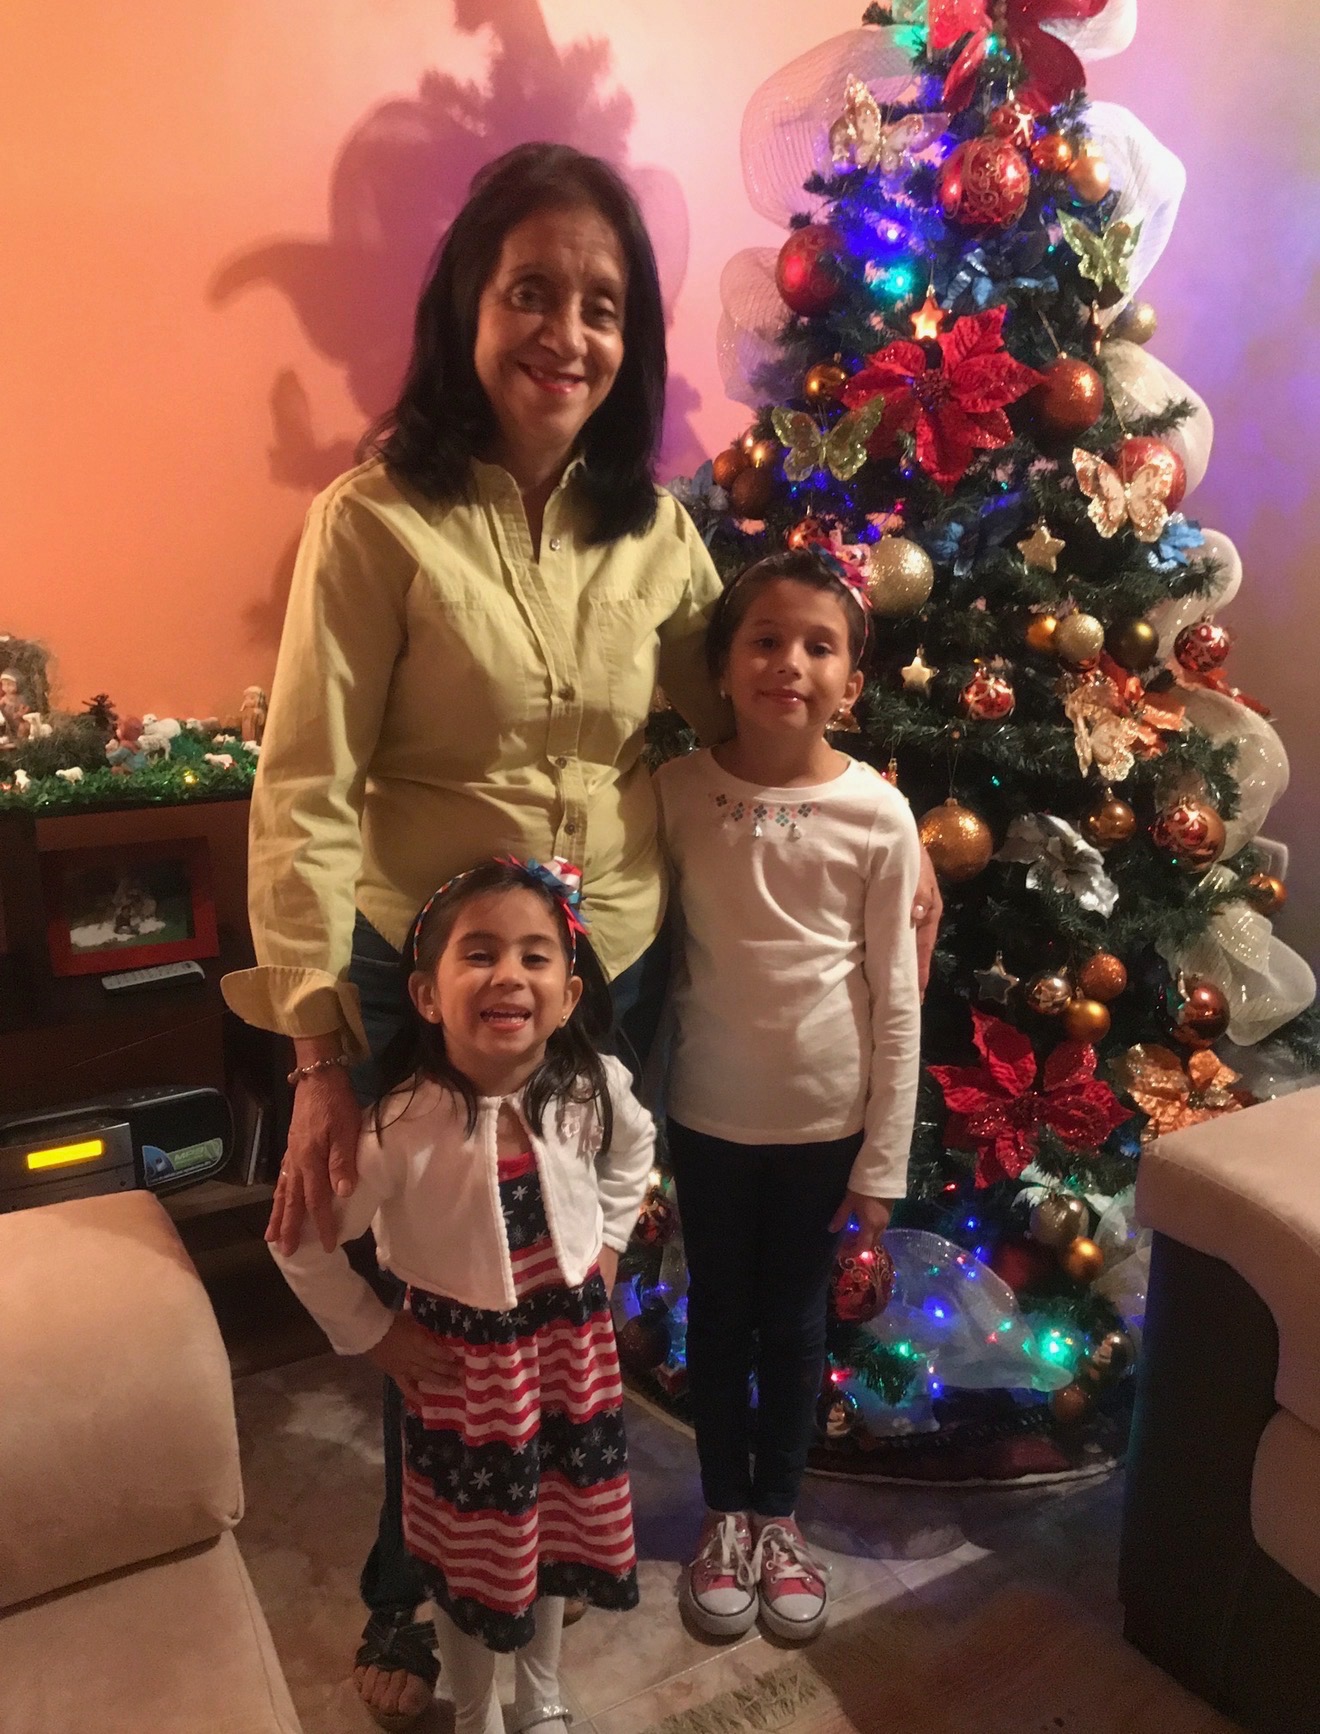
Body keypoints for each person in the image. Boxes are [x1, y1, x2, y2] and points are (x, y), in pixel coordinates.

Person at [222, 140, 942, 1724]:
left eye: (603, 304)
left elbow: (754, 710)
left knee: (563, 1287)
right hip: (433, 975)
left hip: (610, 973)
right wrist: (317, 1048)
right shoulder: (376, 518)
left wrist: (885, 825)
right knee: (444, 1298)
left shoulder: (662, 536)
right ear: (467, 309)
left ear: (634, 337)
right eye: (532, 291)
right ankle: (414, 1589)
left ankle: (543, 1565)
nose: (567, 331)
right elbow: (306, 783)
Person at [269, 859, 655, 1734]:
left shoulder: (591, 1085)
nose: (509, 975)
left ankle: (541, 1695)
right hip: (465, 1381)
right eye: (479, 954)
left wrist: (608, 1243)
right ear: (427, 995)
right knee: (468, 1558)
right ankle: (475, 1707)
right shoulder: (400, 1126)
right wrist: (372, 1331)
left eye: (535, 957)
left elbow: (636, 1149)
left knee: (552, 1531)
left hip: (568, 1361)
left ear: (567, 994)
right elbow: (299, 1241)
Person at [653, 550, 923, 1644]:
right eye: (765, 640)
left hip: (825, 1125)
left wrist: (882, 1162)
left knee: (797, 1322)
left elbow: (897, 998)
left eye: (820, 646)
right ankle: (724, 1513)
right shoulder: (674, 792)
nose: (790, 664)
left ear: (852, 678)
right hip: (707, 1115)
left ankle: (779, 1516)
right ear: (723, 664)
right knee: (719, 1314)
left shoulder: (880, 815)